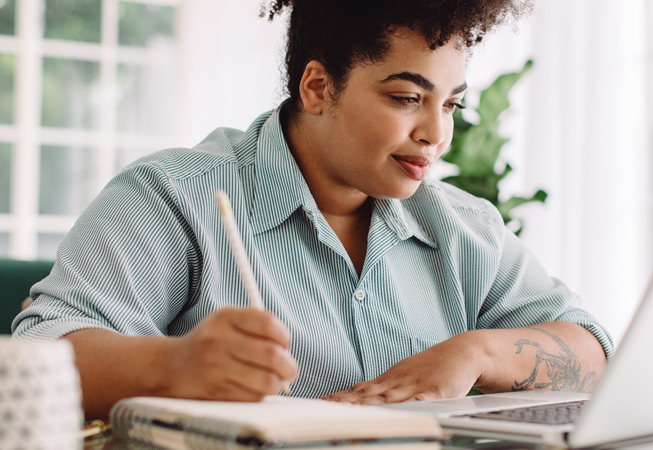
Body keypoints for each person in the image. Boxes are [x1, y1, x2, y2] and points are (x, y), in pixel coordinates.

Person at [13, 0, 614, 419]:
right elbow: (38, 357)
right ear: (318, 87)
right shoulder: (175, 196)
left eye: (451, 104)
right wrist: (174, 365)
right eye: (407, 97)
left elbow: (593, 351)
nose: (436, 133)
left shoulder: (464, 229)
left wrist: (476, 352)